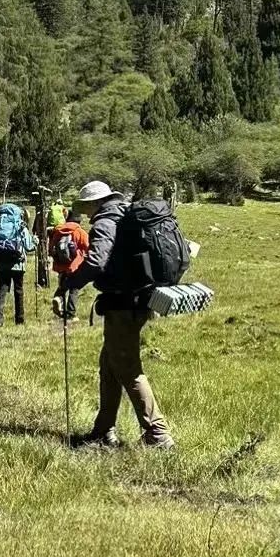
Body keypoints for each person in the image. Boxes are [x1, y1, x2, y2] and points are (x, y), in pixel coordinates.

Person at [63, 179, 175, 451]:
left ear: (94, 202)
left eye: (87, 207)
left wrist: (69, 283)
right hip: (139, 299)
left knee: (127, 367)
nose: (87, 213)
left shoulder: (106, 220)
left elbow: (96, 261)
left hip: (122, 304)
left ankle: (157, 434)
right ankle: (103, 430)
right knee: (110, 365)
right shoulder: (126, 213)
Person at [0, 207, 36, 327]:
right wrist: (35, 241)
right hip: (18, 264)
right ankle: (19, 320)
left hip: (2, 264)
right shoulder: (20, 227)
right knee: (18, 291)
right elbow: (29, 246)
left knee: (2, 290)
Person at [50, 207, 89, 319]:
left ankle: (58, 298)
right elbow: (88, 247)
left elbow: (51, 248)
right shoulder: (80, 232)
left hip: (60, 265)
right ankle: (71, 314)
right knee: (74, 288)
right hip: (74, 265)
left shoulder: (58, 231)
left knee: (62, 286)